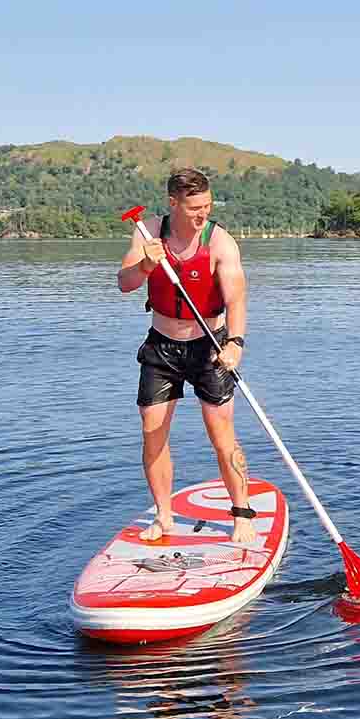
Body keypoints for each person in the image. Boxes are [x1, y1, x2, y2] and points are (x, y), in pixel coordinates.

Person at [117, 168, 256, 545]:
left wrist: (235, 343)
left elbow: (236, 299)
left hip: (210, 347)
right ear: (173, 203)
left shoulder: (221, 242)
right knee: (152, 432)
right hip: (162, 346)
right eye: (194, 207)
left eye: (207, 206)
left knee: (221, 435)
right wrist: (145, 264)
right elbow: (125, 283)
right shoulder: (147, 231)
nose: (202, 215)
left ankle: (242, 512)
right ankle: (163, 517)